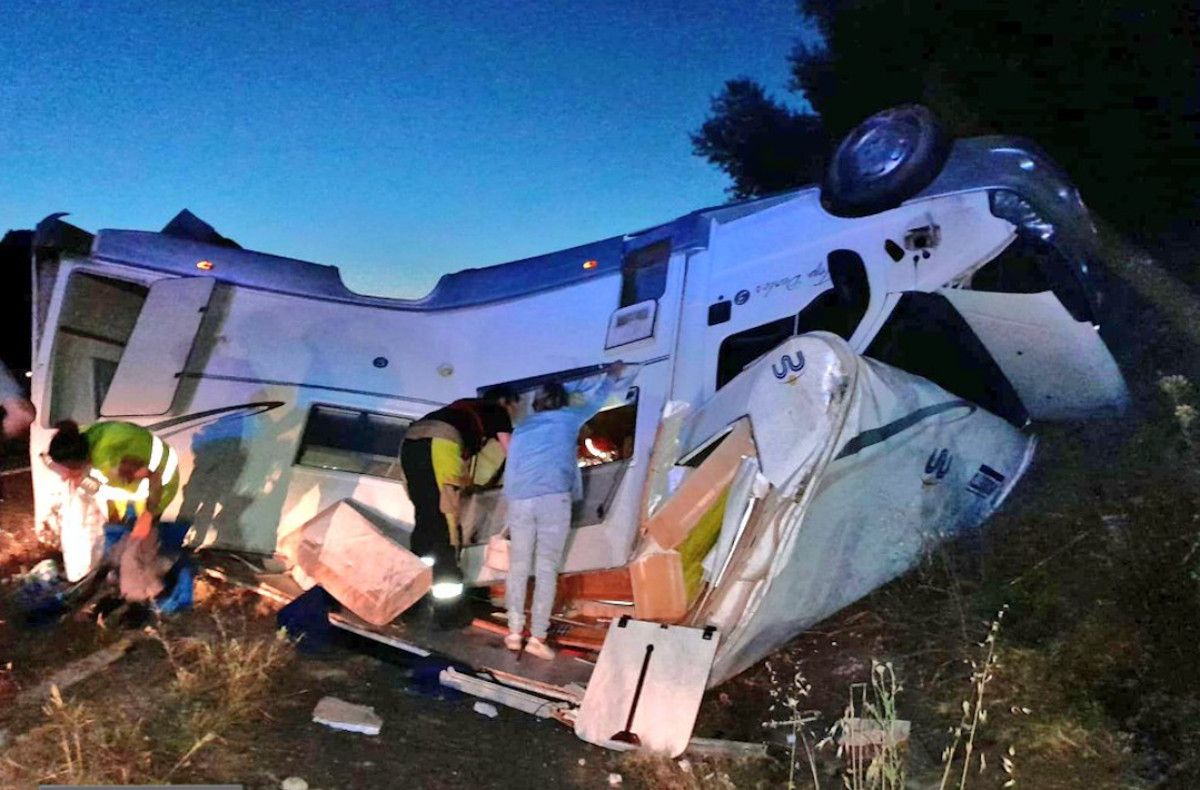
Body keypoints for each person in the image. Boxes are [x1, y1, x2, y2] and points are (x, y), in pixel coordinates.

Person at [504, 361, 632, 659]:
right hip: (553, 498)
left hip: (520, 499)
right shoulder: (569, 418)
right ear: (562, 401)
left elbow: (513, 465)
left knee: (518, 567)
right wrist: (612, 374)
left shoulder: (522, 427)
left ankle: (513, 632)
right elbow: (599, 398)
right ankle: (537, 637)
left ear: (536, 403)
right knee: (546, 567)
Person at [44, 420, 182, 600]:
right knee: (120, 535)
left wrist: (147, 516)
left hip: (160, 484)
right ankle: (119, 571)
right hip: (130, 478)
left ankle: (152, 589)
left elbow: (155, 477)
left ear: (83, 461)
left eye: (70, 470)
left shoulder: (112, 463)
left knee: (137, 546)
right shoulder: (79, 438)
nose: (65, 477)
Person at [400, 386, 519, 576]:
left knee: (425, 509)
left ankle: (417, 570)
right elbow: (512, 451)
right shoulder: (497, 410)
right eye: (515, 407)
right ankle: (445, 572)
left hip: (410, 443)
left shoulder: (464, 408)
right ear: (505, 401)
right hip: (440, 441)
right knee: (446, 509)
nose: (515, 414)